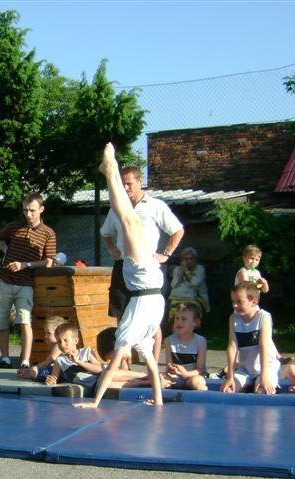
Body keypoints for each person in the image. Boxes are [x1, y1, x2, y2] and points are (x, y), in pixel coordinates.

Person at [76, 144, 165, 408]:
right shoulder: (140, 339)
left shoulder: (128, 332)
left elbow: (112, 368)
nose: (121, 356)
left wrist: (95, 402)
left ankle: (110, 169)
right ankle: (109, 169)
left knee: (128, 220)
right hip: (147, 285)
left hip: (147, 285)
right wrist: (157, 400)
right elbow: (147, 368)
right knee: (128, 220)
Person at [100, 163, 184, 363]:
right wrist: (111, 247)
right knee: (121, 315)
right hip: (123, 266)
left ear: (140, 182)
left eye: (129, 184)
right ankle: (124, 363)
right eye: (123, 184)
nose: (126, 188)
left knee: (151, 319)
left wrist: (166, 253)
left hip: (147, 268)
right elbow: (104, 233)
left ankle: (151, 362)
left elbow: (178, 230)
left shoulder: (156, 206)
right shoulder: (117, 208)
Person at [0, 192, 56, 372]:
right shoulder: (14, 227)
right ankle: (4, 359)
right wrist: (6, 251)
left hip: (26, 282)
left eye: (32, 211)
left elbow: (49, 262)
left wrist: (25, 265)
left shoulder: (48, 233)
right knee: (0, 321)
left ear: (41, 209)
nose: (28, 214)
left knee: (25, 321)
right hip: (3, 280)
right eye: (26, 210)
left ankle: (25, 361)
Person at [220, 282, 281, 394]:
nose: (234, 305)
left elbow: (263, 346)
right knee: (228, 390)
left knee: (262, 392)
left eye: (239, 301)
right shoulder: (233, 319)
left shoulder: (263, 317)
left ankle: (255, 383)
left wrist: (264, 376)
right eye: (233, 301)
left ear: (254, 301)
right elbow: (232, 347)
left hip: (266, 367)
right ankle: (247, 385)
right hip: (245, 369)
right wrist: (230, 377)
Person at [45, 322, 103, 395]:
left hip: (99, 384)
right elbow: (54, 377)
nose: (62, 344)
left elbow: (99, 370)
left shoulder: (87, 352)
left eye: (66, 340)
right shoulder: (60, 360)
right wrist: (51, 380)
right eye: (59, 341)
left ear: (76, 341)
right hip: (86, 389)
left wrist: (78, 361)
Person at [164, 302, 208, 390]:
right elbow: (169, 366)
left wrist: (186, 374)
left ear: (195, 323)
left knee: (197, 382)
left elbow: (200, 370)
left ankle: (203, 398)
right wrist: (173, 369)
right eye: (177, 318)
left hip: (193, 376)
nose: (179, 322)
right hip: (175, 377)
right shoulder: (168, 341)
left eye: (183, 319)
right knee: (160, 380)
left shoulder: (200, 341)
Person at [168, 246, 210, 322]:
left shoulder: (200, 269)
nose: (188, 261)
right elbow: (173, 285)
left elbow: (194, 283)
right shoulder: (177, 269)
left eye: (191, 259)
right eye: (186, 259)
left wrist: (186, 271)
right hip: (176, 298)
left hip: (193, 298)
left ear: (195, 260)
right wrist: (181, 272)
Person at [19, 315, 66, 381]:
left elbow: (48, 362)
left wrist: (30, 370)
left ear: (59, 333)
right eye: (45, 332)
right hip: (59, 371)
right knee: (36, 370)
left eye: (49, 333)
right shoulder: (56, 345)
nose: (46, 336)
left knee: (35, 371)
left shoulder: (58, 346)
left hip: (62, 373)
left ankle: (32, 375)